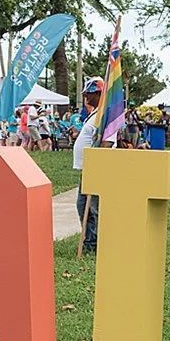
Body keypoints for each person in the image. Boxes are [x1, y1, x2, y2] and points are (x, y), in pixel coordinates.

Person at [71, 77, 109, 254]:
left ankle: (99, 243)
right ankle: (90, 242)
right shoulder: (95, 114)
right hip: (87, 168)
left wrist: (98, 163)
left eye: (89, 94)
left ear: (99, 94)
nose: (86, 97)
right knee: (83, 205)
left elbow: (108, 141)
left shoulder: (104, 115)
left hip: (95, 168)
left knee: (94, 207)